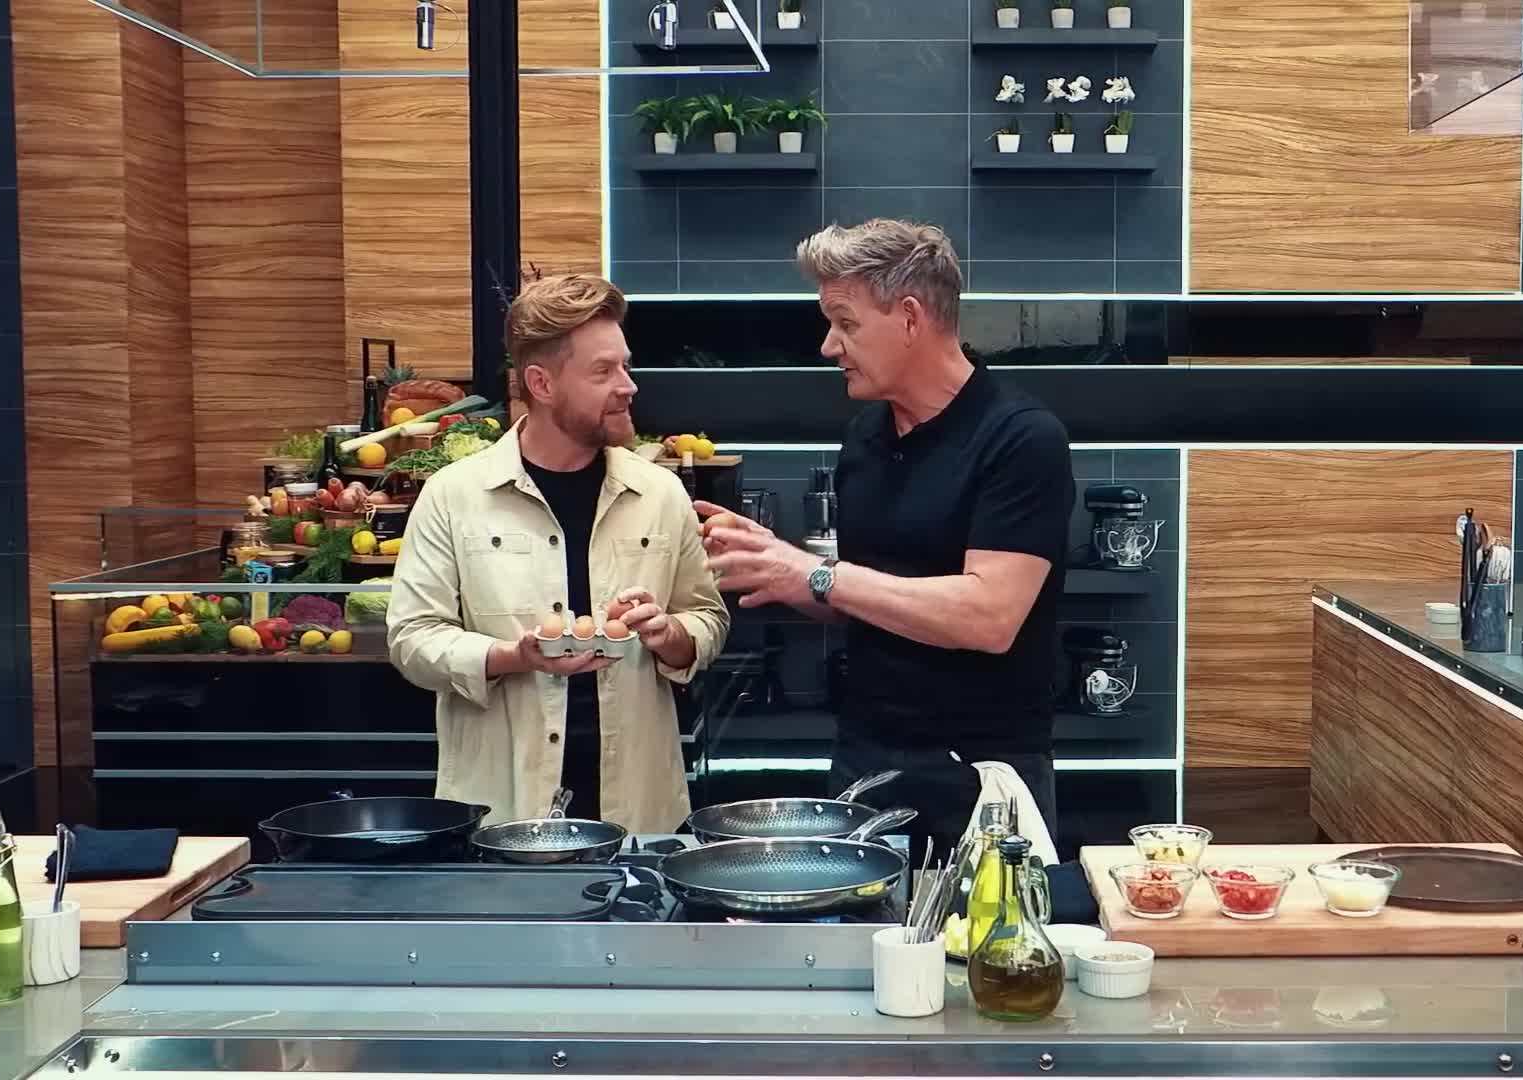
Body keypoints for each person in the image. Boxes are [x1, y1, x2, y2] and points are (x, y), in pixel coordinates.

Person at [699, 219, 1074, 854]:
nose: (828, 346)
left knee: (987, 950)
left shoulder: (1020, 438)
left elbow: (989, 615)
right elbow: (869, 597)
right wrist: (770, 565)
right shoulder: (865, 439)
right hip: (865, 758)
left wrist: (817, 573)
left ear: (909, 317)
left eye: (845, 323)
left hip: (984, 774)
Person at [387, 274, 729, 831]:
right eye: (603, 371)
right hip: (503, 810)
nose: (628, 385)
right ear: (541, 384)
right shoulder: (453, 495)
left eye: (624, 365)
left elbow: (708, 617)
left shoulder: (661, 492)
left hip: (640, 810)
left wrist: (672, 636)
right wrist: (512, 657)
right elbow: (412, 638)